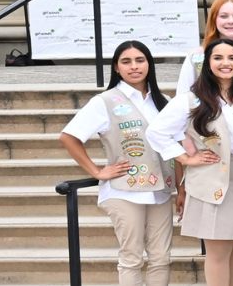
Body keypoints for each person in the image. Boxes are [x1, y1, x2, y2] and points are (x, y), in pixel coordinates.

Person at [148, 39, 233, 286]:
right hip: (212, 183)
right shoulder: (192, 99)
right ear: (207, 63)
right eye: (218, 58)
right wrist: (186, 158)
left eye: (232, 58)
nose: (225, 63)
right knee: (218, 251)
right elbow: (156, 132)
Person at [60, 41, 177, 286]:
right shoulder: (105, 101)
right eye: (126, 61)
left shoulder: (163, 100)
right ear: (116, 68)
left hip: (162, 191)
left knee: (161, 258)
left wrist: (182, 187)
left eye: (140, 60)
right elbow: (69, 136)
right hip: (125, 192)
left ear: (149, 64)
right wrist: (96, 171)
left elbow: (177, 145)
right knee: (132, 258)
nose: (134, 66)